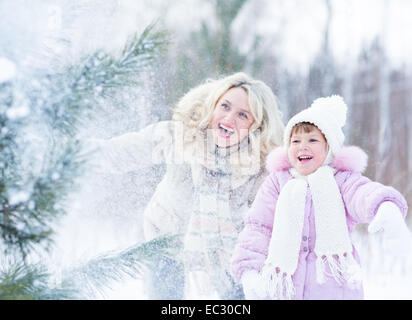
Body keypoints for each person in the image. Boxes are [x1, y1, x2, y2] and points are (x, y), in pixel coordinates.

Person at [88, 72, 285, 299]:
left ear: (256, 126)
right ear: (212, 105)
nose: (229, 119)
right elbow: (122, 152)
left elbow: (273, 215)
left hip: (225, 247)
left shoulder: (259, 167)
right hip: (166, 238)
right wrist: (73, 156)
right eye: (225, 106)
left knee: (240, 297)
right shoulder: (181, 135)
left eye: (243, 115)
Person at [230, 95, 410, 300]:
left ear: (329, 147)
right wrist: (249, 269)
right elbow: (259, 227)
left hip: (333, 287)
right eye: (295, 140)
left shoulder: (342, 181)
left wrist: (385, 206)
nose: (302, 146)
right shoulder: (277, 183)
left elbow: (363, 193)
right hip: (284, 288)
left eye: (312, 140)